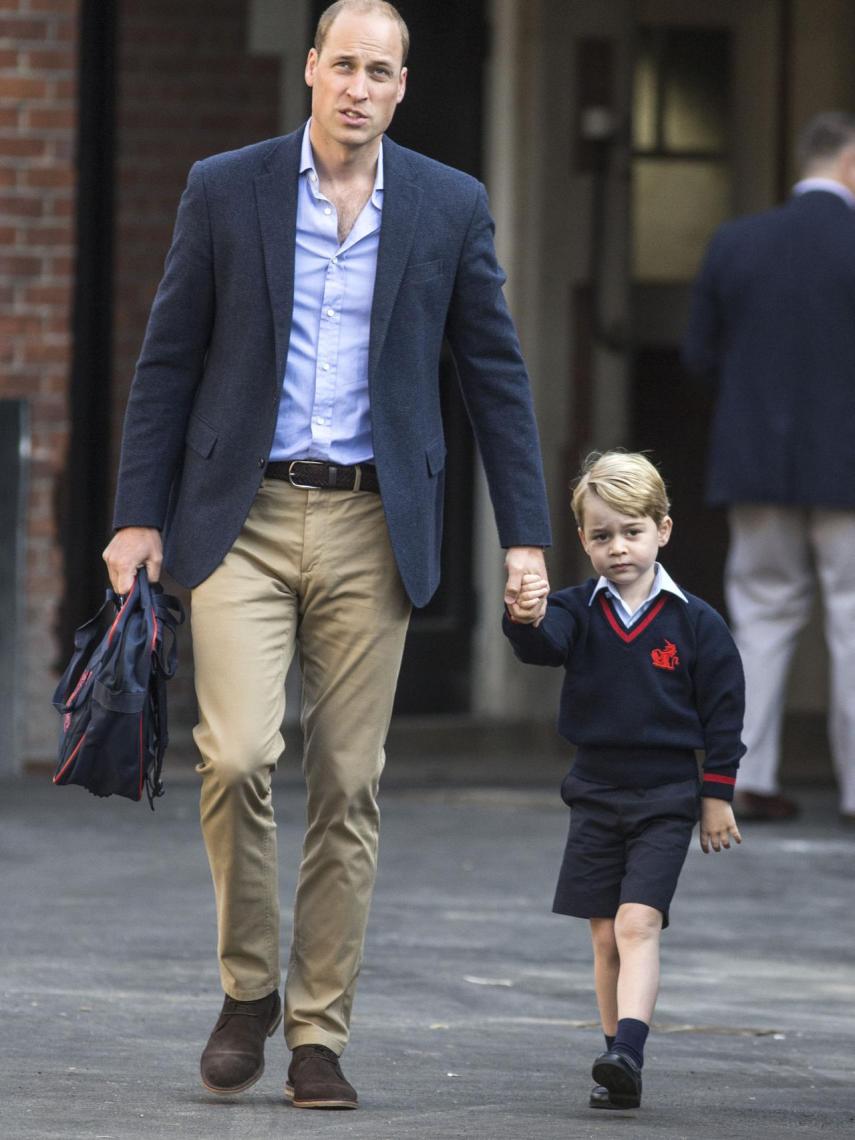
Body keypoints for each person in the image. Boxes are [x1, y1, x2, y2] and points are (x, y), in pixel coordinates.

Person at [103, 0, 551, 1111]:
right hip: (239, 515)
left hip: (371, 524)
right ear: (310, 70)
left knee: (348, 784)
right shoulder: (227, 186)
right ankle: (248, 987)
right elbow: (167, 361)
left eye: (380, 71)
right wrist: (134, 514)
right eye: (342, 64)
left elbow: (496, 379)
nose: (358, 86)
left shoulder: (450, 206)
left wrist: (529, 538)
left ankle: (315, 1033)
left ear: (403, 88)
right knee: (240, 755)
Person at [503, 451, 743, 1111]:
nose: (617, 548)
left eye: (631, 532)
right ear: (581, 540)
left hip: (666, 797)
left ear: (662, 530)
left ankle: (627, 1050)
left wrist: (714, 795)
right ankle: (615, 1060)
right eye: (601, 535)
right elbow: (542, 641)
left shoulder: (694, 622)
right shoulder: (577, 610)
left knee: (639, 923)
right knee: (604, 932)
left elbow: (723, 713)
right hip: (594, 793)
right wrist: (524, 614)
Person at [682, 111, 855, 824]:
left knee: (758, 616)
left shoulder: (735, 241)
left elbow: (697, 356)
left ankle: (745, 781)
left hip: (753, 464)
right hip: (846, 466)